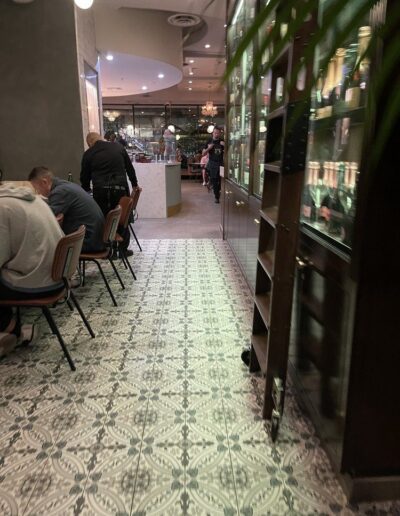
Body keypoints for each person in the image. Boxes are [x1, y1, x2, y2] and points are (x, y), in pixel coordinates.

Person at [0, 182, 64, 357]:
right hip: (59, 275)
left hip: (38, 281)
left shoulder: (2, 207)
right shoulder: (36, 199)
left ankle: (11, 329)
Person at [80, 132, 140, 256]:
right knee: (122, 218)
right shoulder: (118, 147)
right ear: (100, 138)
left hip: (101, 191)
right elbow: (129, 168)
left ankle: (108, 250)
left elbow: (84, 177)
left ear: (90, 143)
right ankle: (123, 249)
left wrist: (86, 190)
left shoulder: (89, 153)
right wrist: (134, 184)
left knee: (104, 220)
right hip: (120, 189)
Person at [28, 166, 105, 253]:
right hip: (94, 236)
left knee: (42, 246)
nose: (37, 192)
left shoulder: (60, 192)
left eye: (36, 188)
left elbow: (46, 217)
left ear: (44, 182)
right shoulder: (64, 186)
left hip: (87, 241)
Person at [202, 126, 224, 203]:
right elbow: (203, 153)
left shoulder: (222, 141)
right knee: (215, 180)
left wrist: (225, 145)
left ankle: (218, 191)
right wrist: (209, 148)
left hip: (221, 164)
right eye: (215, 133)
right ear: (212, 133)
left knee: (221, 180)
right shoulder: (209, 141)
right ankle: (216, 196)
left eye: (218, 133)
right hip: (213, 163)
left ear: (220, 133)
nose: (216, 134)